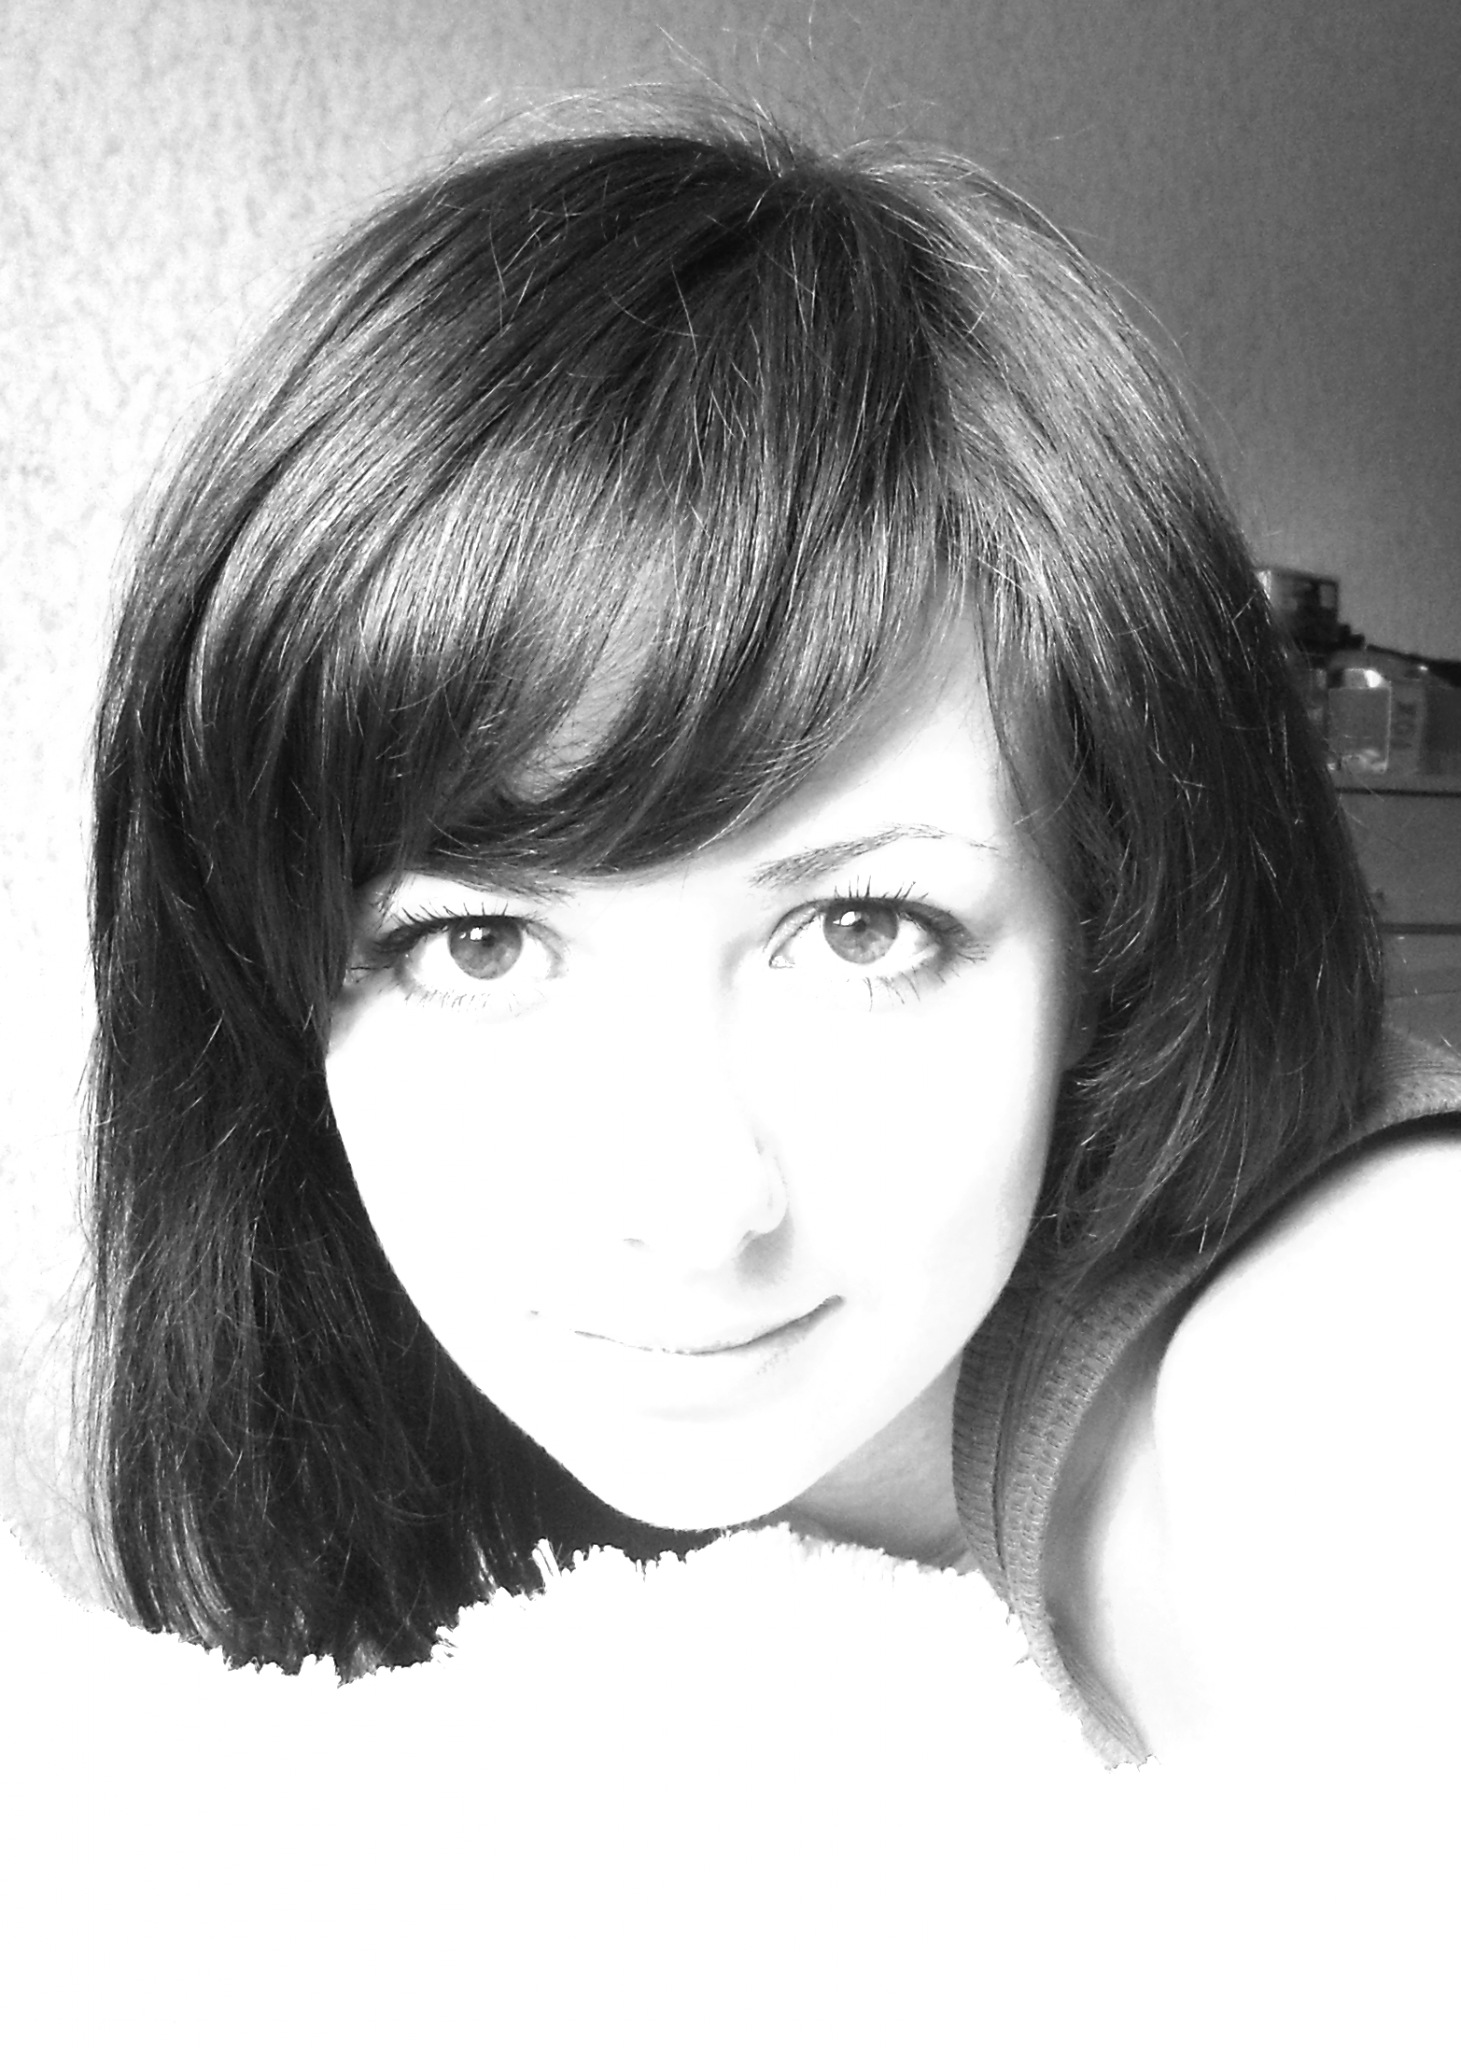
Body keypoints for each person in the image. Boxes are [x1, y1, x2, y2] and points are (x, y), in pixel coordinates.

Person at [84, 102, 1461, 1765]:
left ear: (1111, 932)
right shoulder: (317, 1364)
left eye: (862, 929)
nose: (683, 1208)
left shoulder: (1332, 1358)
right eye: (479, 947)